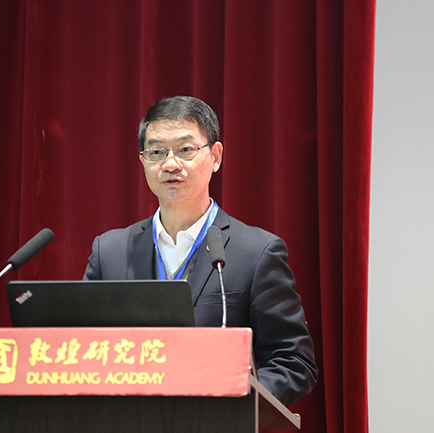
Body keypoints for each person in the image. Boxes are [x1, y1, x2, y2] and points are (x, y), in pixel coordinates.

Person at [84, 96, 317, 406]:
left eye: (185, 149)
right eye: (156, 152)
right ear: (143, 161)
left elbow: (293, 362)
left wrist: (230, 401)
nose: (170, 164)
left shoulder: (256, 253)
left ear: (216, 156)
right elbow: (82, 350)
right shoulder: (110, 252)